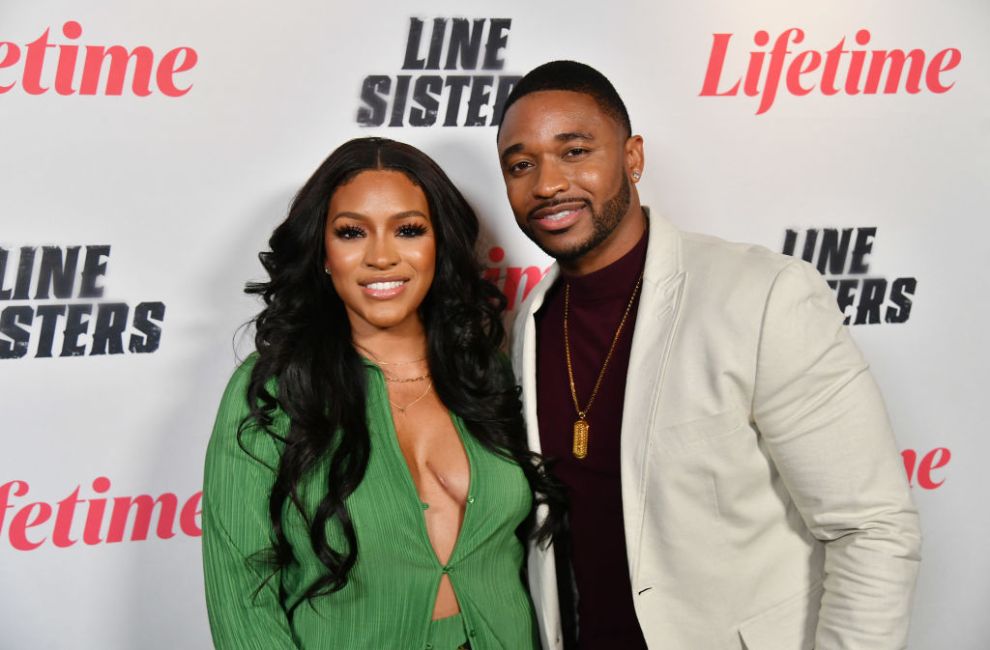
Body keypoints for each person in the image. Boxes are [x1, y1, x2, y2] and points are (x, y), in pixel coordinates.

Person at [496, 61, 921, 650]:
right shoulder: (527, 325)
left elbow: (870, 528)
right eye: (522, 165)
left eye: (574, 151)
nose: (547, 183)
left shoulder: (760, 295)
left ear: (633, 157)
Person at [202, 137, 559, 649]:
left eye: (409, 230)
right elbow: (243, 597)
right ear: (323, 254)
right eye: (351, 233)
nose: (382, 257)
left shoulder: (489, 374)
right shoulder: (275, 392)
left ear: (440, 243)